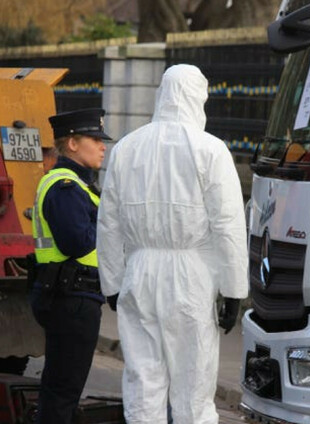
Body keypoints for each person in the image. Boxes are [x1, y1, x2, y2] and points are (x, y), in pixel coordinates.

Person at [97, 64, 248, 424]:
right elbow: (228, 225)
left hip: (139, 273)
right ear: (198, 98)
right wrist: (233, 291)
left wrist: (112, 282)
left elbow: (109, 222)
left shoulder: (126, 148)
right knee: (193, 384)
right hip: (191, 277)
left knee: (143, 380)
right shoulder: (210, 150)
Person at [30, 108, 110, 423]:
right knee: (62, 392)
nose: (103, 147)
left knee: (61, 388)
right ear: (73, 143)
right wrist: (108, 223)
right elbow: (76, 242)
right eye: (95, 139)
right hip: (72, 297)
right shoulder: (66, 187)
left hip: (73, 295)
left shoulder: (77, 185)